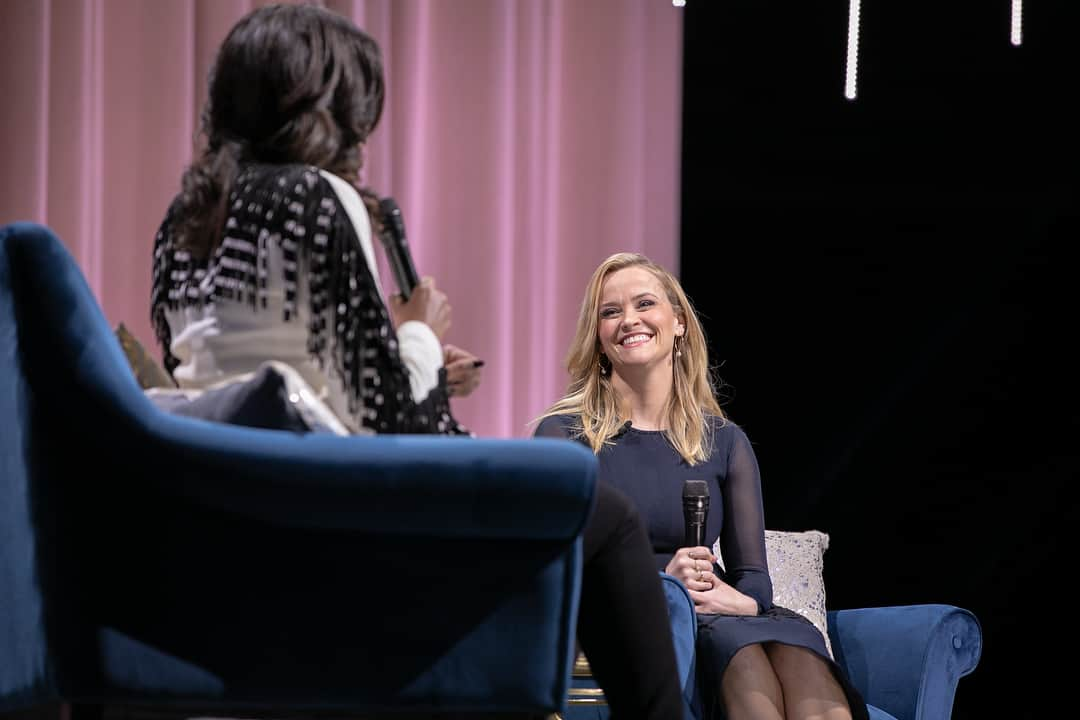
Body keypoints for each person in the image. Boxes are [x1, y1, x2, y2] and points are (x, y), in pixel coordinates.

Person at [148, 5, 684, 718]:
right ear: (332, 103)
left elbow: (238, 380)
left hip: (235, 517)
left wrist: (424, 365)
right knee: (608, 517)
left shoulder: (182, 219)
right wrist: (422, 333)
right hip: (346, 520)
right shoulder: (316, 194)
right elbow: (395, 421)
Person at [534, 252, 868, 720]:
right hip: (640, 617)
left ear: (678, 324)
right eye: (610, 312)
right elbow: (557, 570)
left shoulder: (724, 441)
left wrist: (746, 601)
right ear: (598, 339)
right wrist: (661, 583)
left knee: (798, 660)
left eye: (644, 304)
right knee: (745, 662)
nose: (628, 319)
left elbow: (752, 573)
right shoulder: (563, 436)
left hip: (720, 611)